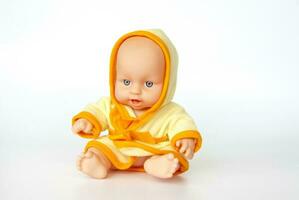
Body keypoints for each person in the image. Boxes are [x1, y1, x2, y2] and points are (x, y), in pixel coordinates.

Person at [72, 29, 202, 179]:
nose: (135, 91)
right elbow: (97, 111)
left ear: (167, 82)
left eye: (148, 83)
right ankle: (98, 161)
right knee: (99, 146)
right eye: (126, 82)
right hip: (119, 147)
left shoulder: (171, 111)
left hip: (154, 150)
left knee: (172, 153)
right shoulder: (111, 104)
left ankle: (156, 164)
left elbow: (182, 122)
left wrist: (184, 138)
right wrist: (87, 120)